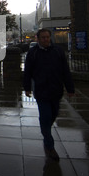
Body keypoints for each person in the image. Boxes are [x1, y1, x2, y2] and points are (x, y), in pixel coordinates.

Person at [23, 28, 75, 161]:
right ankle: (49, 145)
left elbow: (65, 71)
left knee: (53, 115)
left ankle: (45, 129)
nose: (46, 39)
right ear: (38, 39)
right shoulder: (33, 53)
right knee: (46, 117)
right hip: (41, 91)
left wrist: (70, 89)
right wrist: (27, 88)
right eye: (43, 37)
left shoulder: (57, 51)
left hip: (56, 91)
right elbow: (27, 71)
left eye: (47, 37)